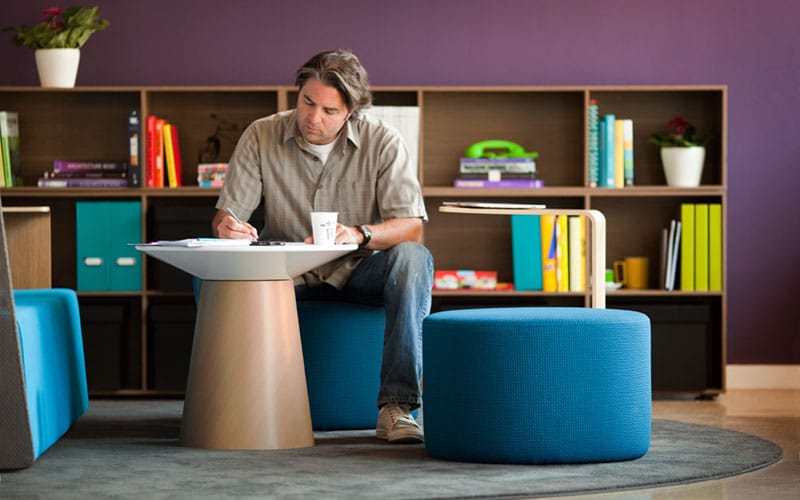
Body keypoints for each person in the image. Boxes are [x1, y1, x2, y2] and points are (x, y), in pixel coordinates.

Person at [210, 49, 433, 444]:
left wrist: (360, 234)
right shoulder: (261, 135)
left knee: (414, 259)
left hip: (359, 269)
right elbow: (226, 216)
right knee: (218, 268)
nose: (314, 119)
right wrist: (228, 226)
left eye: (330, 111)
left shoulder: (383, 141)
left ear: (351, 111)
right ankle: (233, 407)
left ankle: (397, 408)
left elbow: (411, 227)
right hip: (283, 272)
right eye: (307, 103)